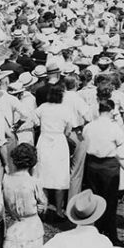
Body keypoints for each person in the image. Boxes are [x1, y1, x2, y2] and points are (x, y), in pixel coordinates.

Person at [82, 98, 124, 246]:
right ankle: (110, 234)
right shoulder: (114, 128)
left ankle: (98, 230)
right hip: (108, 166)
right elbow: (122, 145)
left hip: (93, 165)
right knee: (110, 201)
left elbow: (85, 139)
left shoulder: (89, 126)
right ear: (111, 111)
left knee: (96, 199)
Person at [34, 84, 74, 219]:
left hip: (44, 140)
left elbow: (35, 121)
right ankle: (58, 210)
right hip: (59, 141)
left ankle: (43, 207)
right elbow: (68, 130)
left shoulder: (43, 107)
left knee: (43, 173)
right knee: (60, 176)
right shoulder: (65, 110)